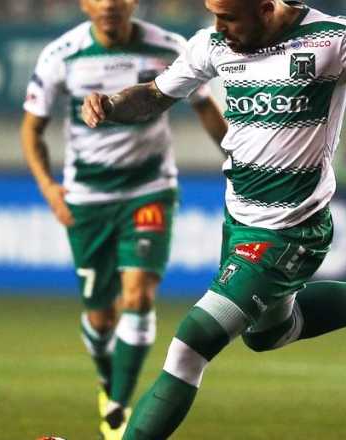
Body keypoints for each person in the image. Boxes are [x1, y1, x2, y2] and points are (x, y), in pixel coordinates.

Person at [80, 0, 346, 437]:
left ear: (265, 9)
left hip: (291, 230)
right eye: (214, 14)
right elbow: (154, 94)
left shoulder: (332, 39)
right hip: (239, 219)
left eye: (227, 17)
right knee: (270, 333)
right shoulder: (213, 43)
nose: (217, 26)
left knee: (192, 343)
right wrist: (111, 104)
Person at [19, 0, 227, 437]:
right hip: (87, 198)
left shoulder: (169, 46)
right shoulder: (62, 54)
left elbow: (205, 107)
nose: (110, 4)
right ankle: (106, 379)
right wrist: (48, 187)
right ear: (83, 3)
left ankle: (116, 407)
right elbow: (31, 127)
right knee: (100, 318)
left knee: (139, 296)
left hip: (149, 190)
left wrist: (239, 160)